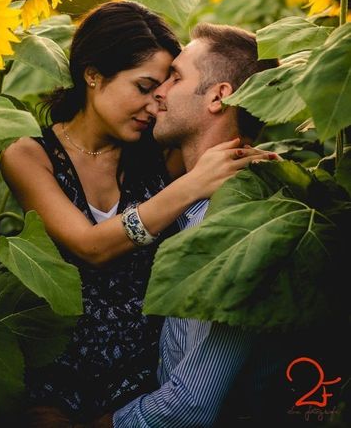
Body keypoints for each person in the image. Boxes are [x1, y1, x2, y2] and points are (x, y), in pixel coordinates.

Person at [0, 2, 274, 427]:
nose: (155, 102)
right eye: (144, 86)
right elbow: (89, 247)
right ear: (93, 75)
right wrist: (192, 183)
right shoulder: (30, 156)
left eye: (166, 84)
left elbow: (219, 134)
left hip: (143, 380)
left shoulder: (157, 151)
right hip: (58, 376)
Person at [112, 22, 289, 428]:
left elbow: (189, 407)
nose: (160, 91)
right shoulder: (199, 201)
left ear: (218, 96)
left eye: (176, 76)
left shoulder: (231, 230)